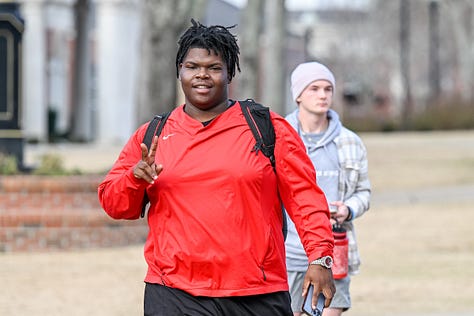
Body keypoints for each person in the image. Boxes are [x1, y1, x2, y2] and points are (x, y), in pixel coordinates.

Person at [98, 20, 335, 316]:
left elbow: (305, 198)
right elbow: (114, 204)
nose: (202, 75)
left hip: (255, 292)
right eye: (192, 66)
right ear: (179, 72)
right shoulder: (153, 135)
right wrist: (135, 179)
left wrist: (321, 257)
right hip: (174, 292)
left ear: (229, 73)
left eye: (213, 67)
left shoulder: (266, 127)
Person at [284, 62, 371, 316]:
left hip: (332, 256)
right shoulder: (281, 138)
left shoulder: (350, 142)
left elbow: (364, 192)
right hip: (287, 257)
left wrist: (348, 209)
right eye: (314, 88)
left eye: (328, 89)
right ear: (298, 95)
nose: (322, 95)